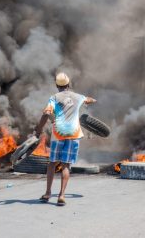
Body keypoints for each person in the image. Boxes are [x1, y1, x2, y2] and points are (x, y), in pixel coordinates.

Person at [35, 72, 96, 206]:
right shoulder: (78, 97)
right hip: (73, 134)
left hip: (58, 134)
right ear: (69, 84)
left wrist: (39, 128)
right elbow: (89, 99)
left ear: (57, 85)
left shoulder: (54, 98)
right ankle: (61, 195)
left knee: (52, 163)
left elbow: (46, 113)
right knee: (66, 165)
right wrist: (92, 100)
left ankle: (47, 193)